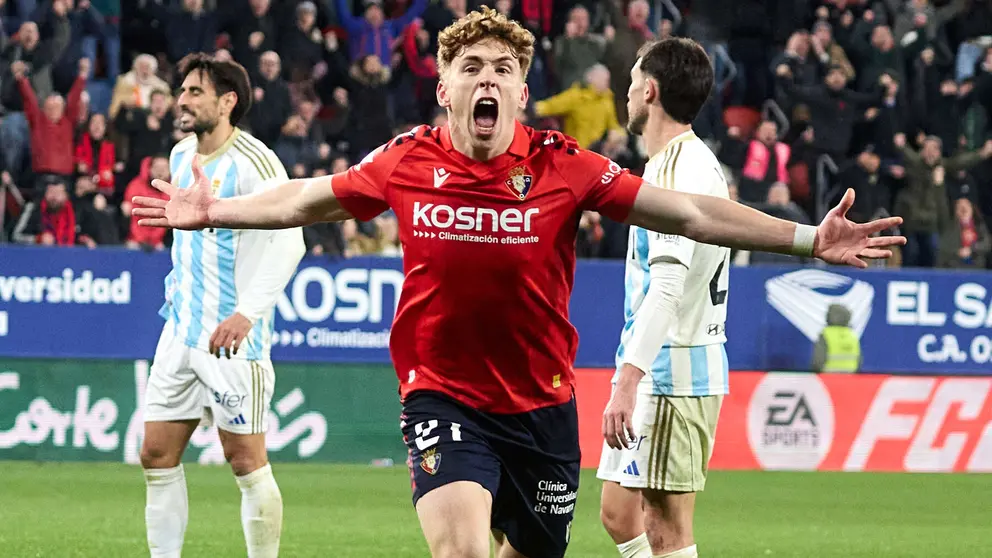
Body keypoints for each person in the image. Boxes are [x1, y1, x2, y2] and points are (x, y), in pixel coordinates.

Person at [133, 11, 905, 558]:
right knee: (463, 549)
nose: (487, 78)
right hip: (442, 395)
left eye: (504, 68)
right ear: (444, 89)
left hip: (541, 405)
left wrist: (806, 237)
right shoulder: (407, 159)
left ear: (523, 93)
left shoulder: (565, 165)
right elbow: (306, 197)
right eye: (470, 67)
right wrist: (215, 211)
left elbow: (691, 213)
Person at [138, 53, 305, 558]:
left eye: (194, 92)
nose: (181, 100)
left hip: (233, 337)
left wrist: (247, 313)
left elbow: (290, 240)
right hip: (181, 331)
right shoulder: (179, 153)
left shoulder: (257, 163)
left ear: (227, 101)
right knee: (156, 454)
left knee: (244, 458)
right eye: (182, 91)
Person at [597, 38, 731, 558]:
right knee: (620, 514)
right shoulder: (673, 164)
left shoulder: (678, 169)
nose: (626, 93)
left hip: (676, 372)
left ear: (649, 90)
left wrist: (627, 380)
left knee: (665, 529)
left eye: (632, 82)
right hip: (664, 366)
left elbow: (669, 287)